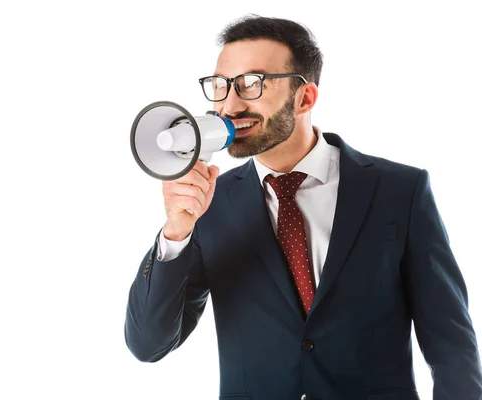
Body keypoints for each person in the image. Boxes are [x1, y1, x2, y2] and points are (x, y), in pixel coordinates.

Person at [124, 14, 482, 400]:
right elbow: (148, 345)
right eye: (221, 85)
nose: (228, 105)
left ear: (304, 98)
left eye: (250, 84)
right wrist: (176, 233)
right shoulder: (209, 204)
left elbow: (451, 348)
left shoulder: (400, 190)